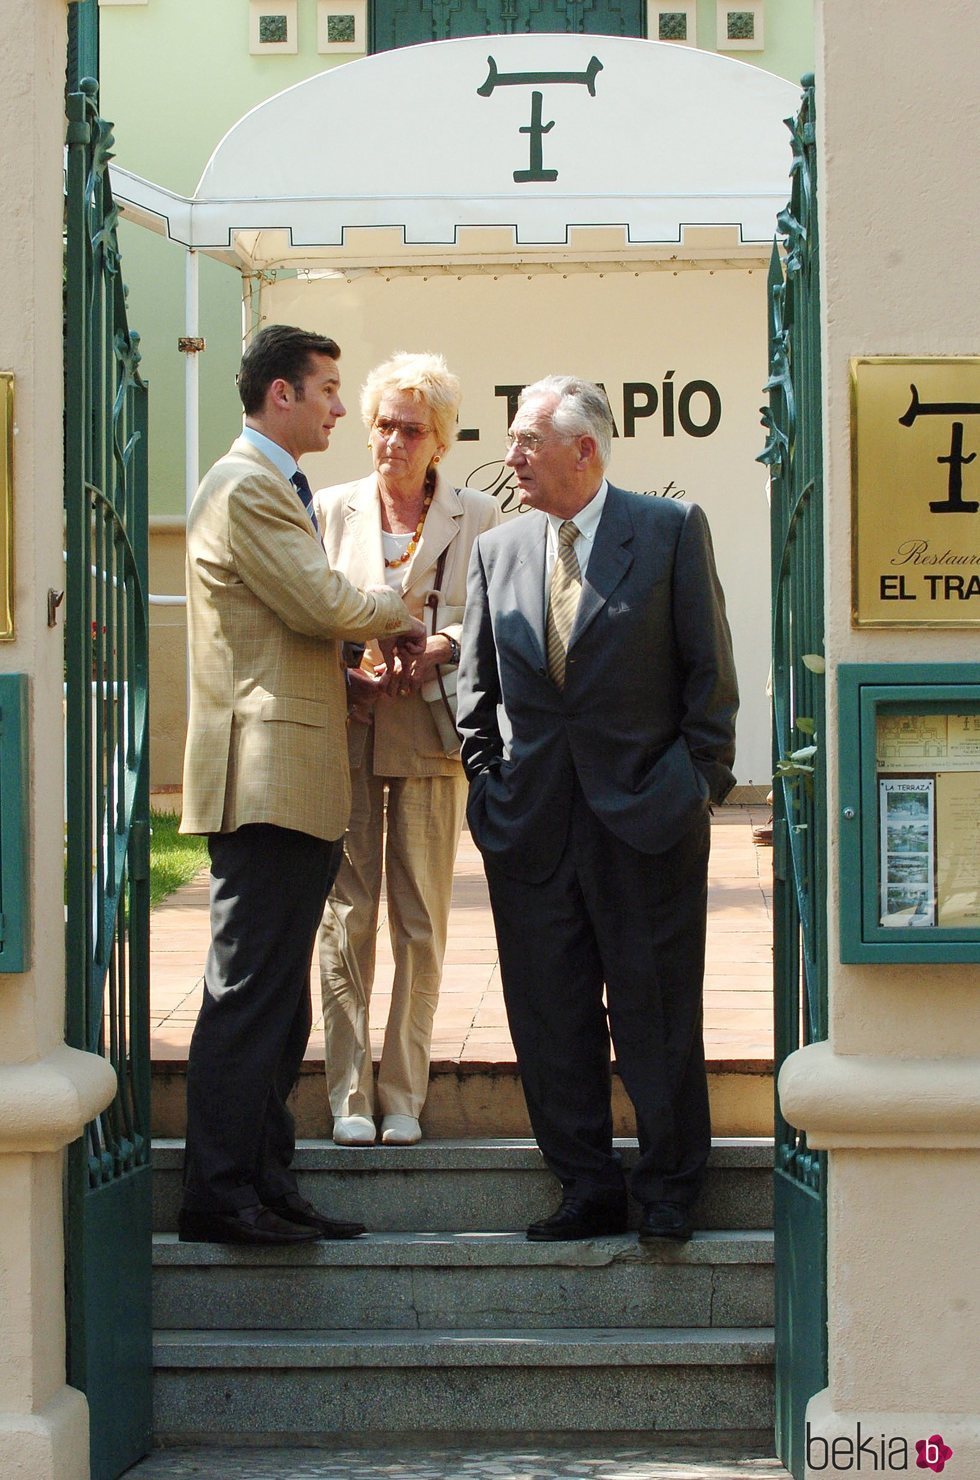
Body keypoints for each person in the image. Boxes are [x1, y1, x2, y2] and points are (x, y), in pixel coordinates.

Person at [456, 376, 738, 1244]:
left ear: (585, 449)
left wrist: (695, 786)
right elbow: (476, 691)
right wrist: (488, 787)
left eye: (526, 442)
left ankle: (667, 1187)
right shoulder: (499, 550)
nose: (511, 458)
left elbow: (710, 682)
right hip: (532, 826)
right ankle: (584, 1184)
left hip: (648, 817)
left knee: (655, 1008)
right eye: (511, 441)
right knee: (550, 1013)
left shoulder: (667, 532)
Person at [178, 324, 425, 1245]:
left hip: (291, 777)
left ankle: (266, 1179)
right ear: (279, 394)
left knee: (277, 1003)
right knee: (250, 996)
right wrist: (402, 615)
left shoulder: (273, 486)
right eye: (325, 388)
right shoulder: (249, 485)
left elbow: (287, 632)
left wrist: (344, 676)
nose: (336, 405)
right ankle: (219, 1194)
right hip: (266, 781)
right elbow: (318, 601)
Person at [315, 352, 499, 1147]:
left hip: (430, 734)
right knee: (345, 915)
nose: (392, 440)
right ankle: (349, 1095)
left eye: (411, 428)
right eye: (383, 425)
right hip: (349, 729)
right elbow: (306, 611)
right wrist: (344, 671)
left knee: (420, 921)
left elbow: (493, 614)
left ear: (441, 440)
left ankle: (404, 1093)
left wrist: (445, 640)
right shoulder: (329, 510)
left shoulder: (479, 515)